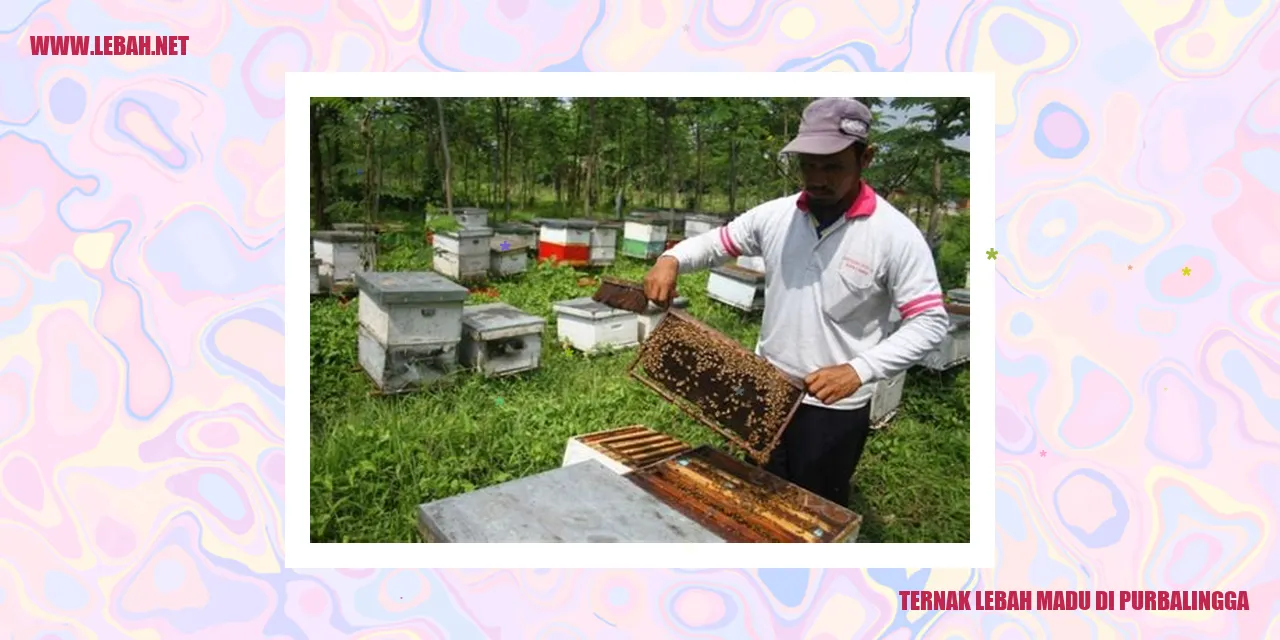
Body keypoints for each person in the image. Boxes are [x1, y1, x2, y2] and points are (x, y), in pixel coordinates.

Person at [642, 97, 950, 507]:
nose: (817, 178)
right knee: (756, 492)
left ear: (866, 158)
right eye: (808, 165)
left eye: (832, 165)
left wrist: (859, 370)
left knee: (812, 507)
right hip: (764, 386)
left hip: (833, 406)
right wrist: (672, 258)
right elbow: (718, 243)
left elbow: (930, 321)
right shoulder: (776, 216)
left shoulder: (895, 235)